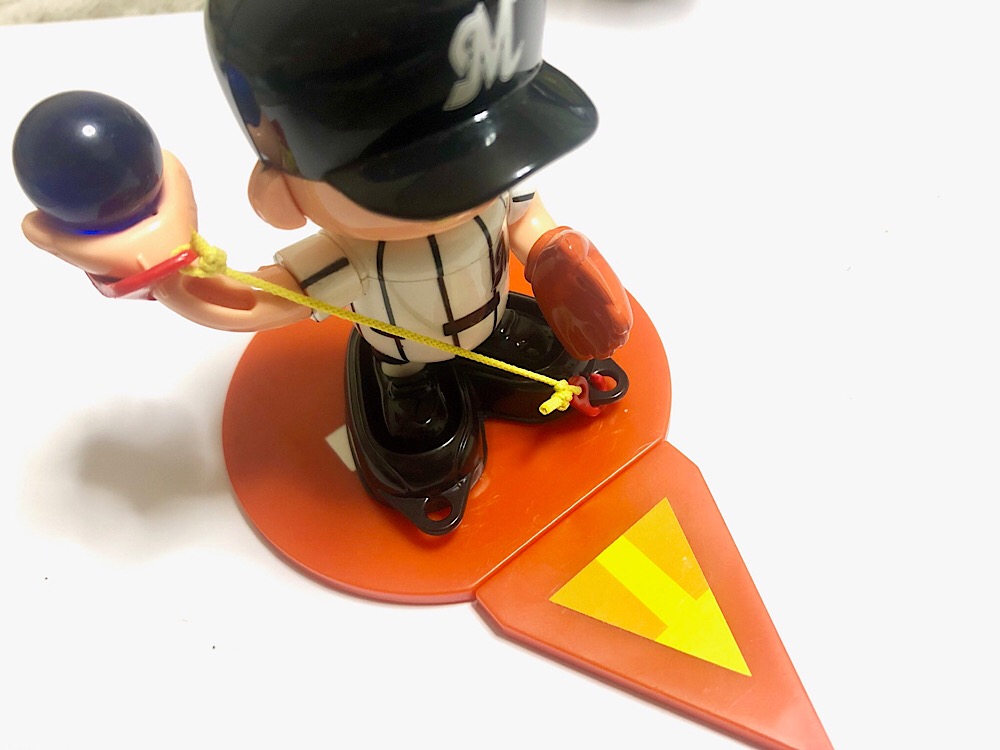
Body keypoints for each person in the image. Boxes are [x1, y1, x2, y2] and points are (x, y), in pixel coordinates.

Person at [21, 0, 633, 534]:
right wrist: (166, 270)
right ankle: (406, 383)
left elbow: (525, 215)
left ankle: (486, 348)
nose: (471, 184)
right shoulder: (356, 254)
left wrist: (554, 254)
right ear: (281, 194)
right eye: (418, 176)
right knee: (422, 448)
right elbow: (257, 299)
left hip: (491, 316)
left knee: (554, 355)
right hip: (404, 352)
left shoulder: (500, 192)